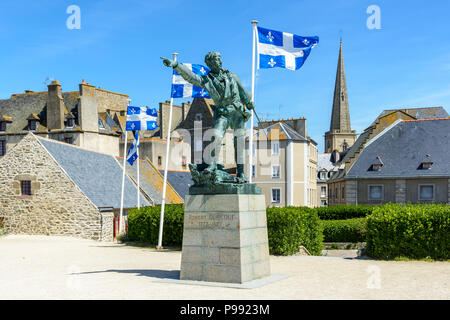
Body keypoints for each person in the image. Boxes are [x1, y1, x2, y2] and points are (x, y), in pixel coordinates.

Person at [161, 52, 253, 180]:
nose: (219, 61)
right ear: (209, 63)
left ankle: (241, 172)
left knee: (239, 142)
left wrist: (249, 103)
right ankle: (212, 165)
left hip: (237, 111)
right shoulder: (207, 80)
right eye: (215, 60)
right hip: (223, 113)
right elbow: (191, 77)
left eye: (220, 59)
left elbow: (243, 92)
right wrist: (176, 65)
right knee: (216, 135)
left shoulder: (232, 76)